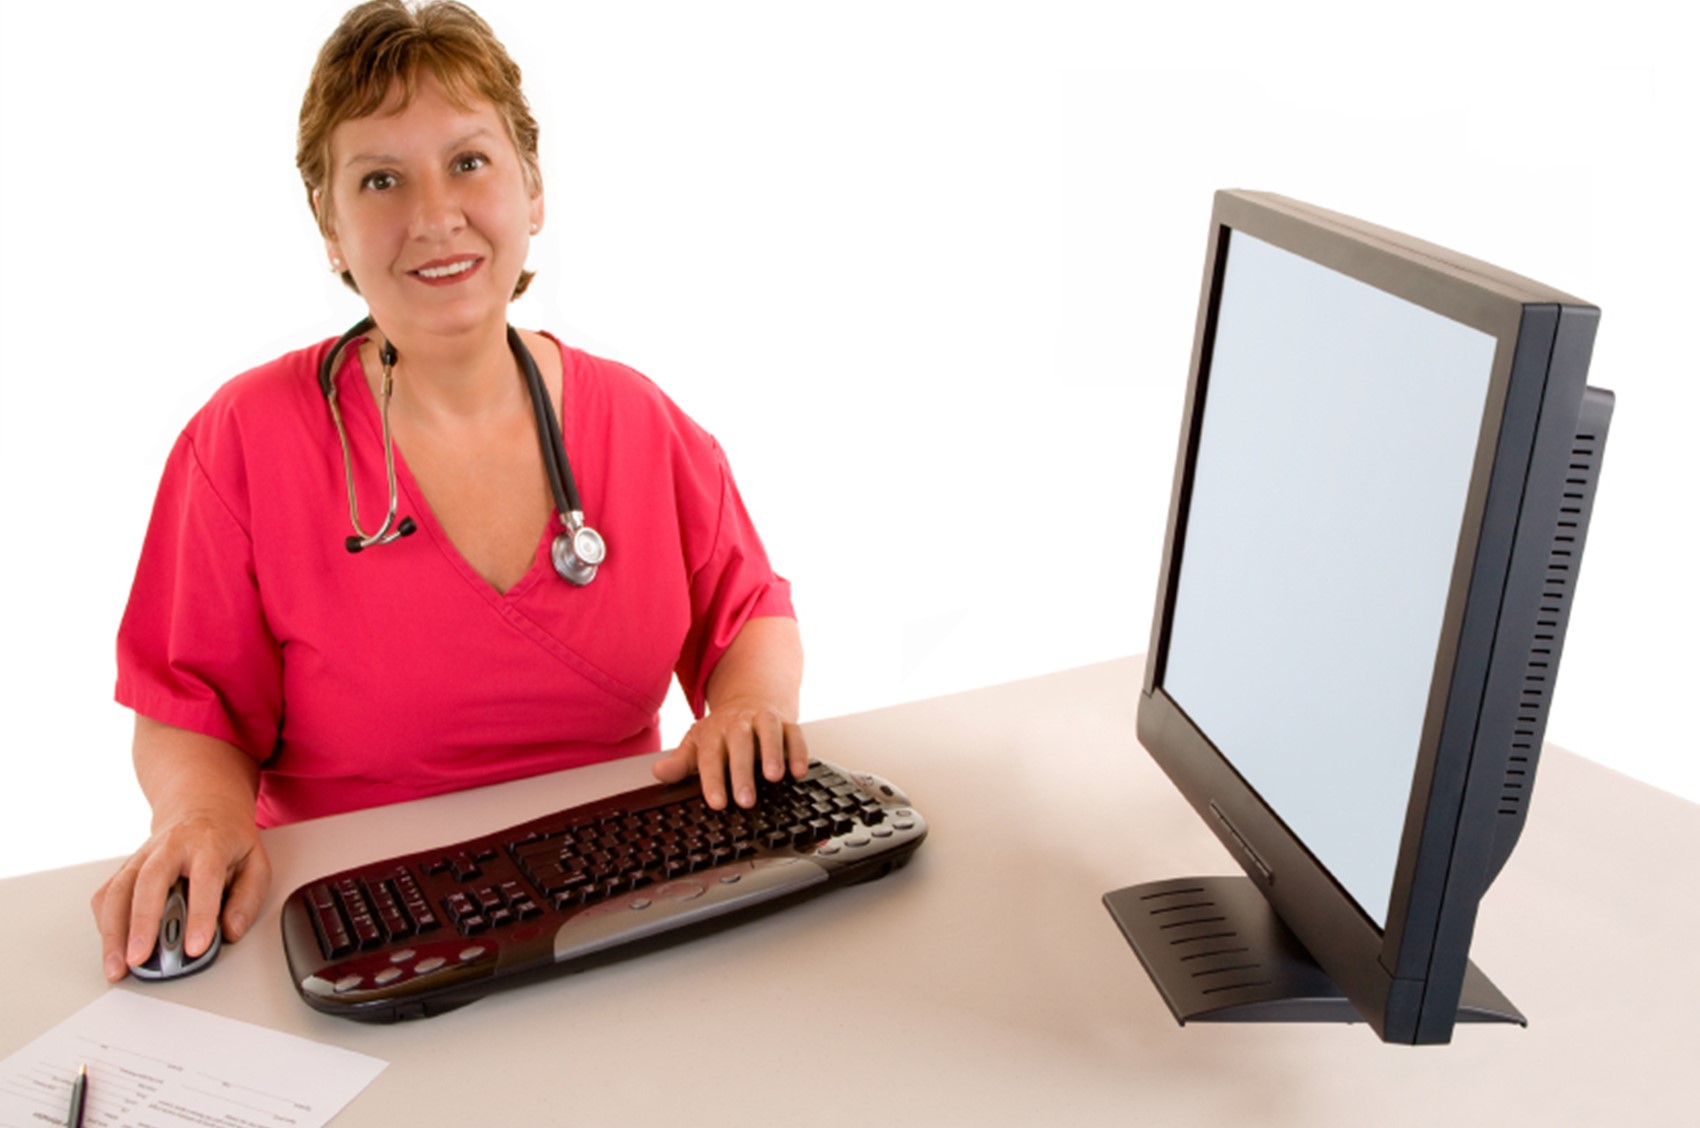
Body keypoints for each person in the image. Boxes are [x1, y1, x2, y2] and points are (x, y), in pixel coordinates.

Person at [90, 0, 805, 984]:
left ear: (532, 189)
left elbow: (747, 610)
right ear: (329, 227)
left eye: (468, 162)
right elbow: (189, 704)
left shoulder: (641, 423)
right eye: (380, 179)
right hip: (366, 931)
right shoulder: (246, 440)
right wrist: (200, 817)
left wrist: (748, 705)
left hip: (620, 918)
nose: (433, 216)